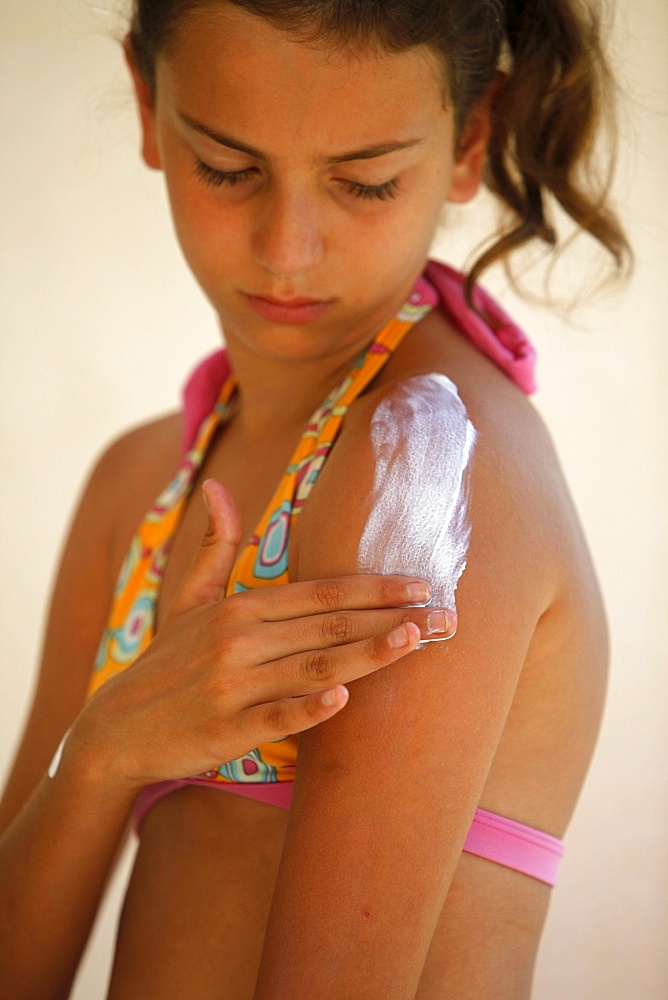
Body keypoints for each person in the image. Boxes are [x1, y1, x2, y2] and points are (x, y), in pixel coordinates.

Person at [0, 1, 630, 998]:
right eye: (227, 167)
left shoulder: (430, 467)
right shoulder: (139, 489)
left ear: (470, 139)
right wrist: (101, 755)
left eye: (366, 180)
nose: (286, 248)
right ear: (145, 100)